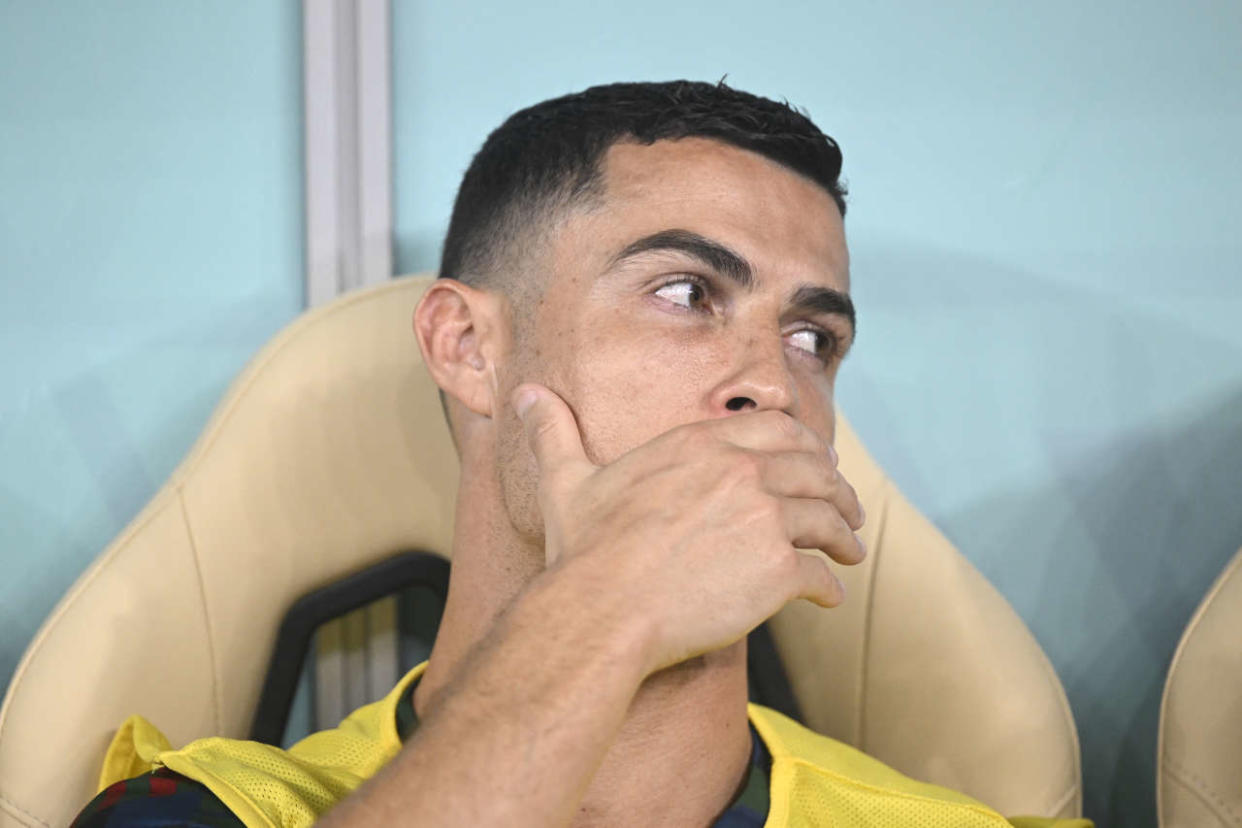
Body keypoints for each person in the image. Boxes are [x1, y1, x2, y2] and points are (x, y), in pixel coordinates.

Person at [72, 80, 1091, 827]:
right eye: (688, 293)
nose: (774, 389)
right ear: (467, 347)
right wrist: (613, 602)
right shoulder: (196, 812)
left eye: (811, 338)